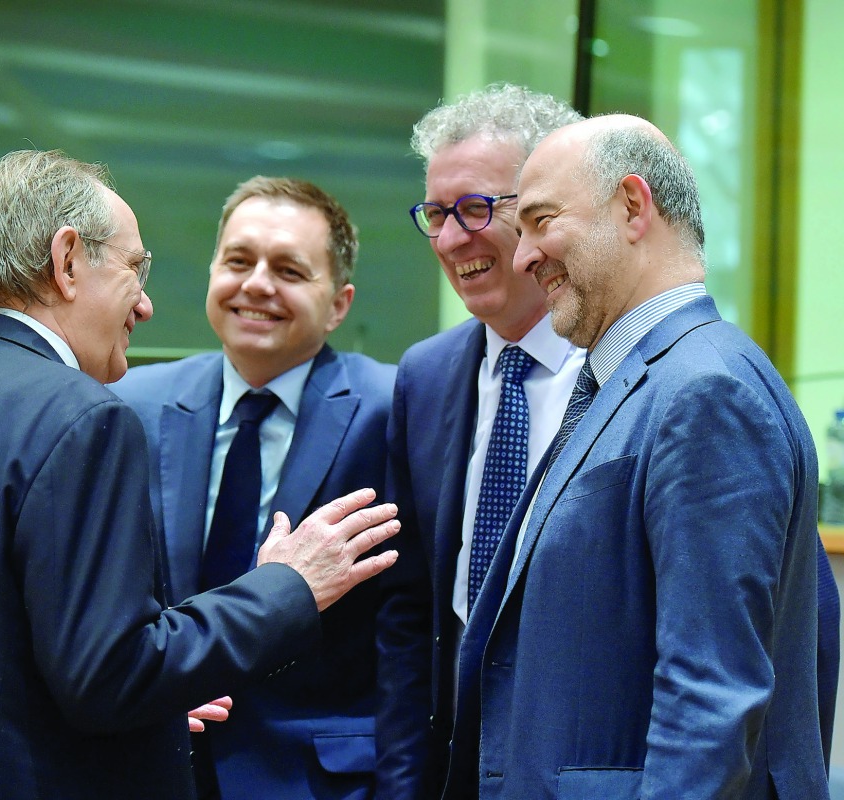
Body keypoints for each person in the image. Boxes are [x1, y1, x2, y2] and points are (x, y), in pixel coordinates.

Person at [0, 150, 402, 800]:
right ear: (67, 261)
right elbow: (112, 676)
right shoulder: (82, 417)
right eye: (134, 269)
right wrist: (286, 586)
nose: (145, 305)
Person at [446, 114, 831, 798]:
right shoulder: (636, 380)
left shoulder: (706, 392)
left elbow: (710, 696)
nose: (523, 254)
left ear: (632, 205)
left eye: (539, 220)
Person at [112, 176, 395, 799]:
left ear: (339, 303)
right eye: (238, 261)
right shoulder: (130, 405)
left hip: (321, 779)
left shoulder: (393, 409)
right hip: (153, 764)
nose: (257, 283)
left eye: (289, 270)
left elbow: (407, 626)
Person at [373, 84, 585, 799]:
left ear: (544, 213)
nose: (452, 238)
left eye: (475, 209)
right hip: (454, 763)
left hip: (583, 766)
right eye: (436, 214)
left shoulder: (631, 373)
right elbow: (408, 613)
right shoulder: (425, 377)